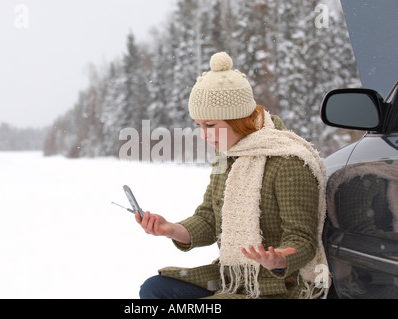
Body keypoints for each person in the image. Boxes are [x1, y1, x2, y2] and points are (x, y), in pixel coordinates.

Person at [136, 52, 330, 299]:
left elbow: (303, 240)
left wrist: (278, 258)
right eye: (199, 125)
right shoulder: (226, 157)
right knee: (154, 289)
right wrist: (171, 229)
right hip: (235, 277)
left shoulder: (287, 161)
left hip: (279, 286)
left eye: (211, 125)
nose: (204, 135)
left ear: (238, 120)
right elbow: (208, 218)